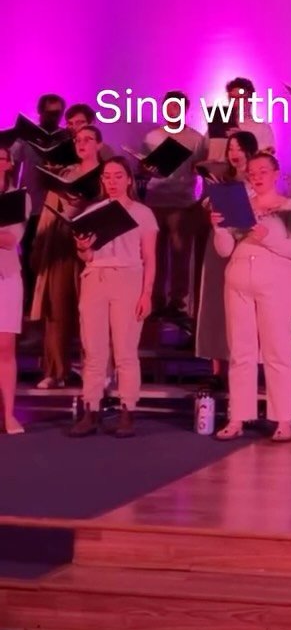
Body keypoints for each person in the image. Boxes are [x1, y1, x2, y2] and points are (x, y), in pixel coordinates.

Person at [212, 152, 291, 442]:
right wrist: (218, 228)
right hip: (238, 279)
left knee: (277, 351)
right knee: (240, 352)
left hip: (276, 281)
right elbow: (224, 250)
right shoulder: (241, 206)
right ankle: (238, 416)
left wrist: (267, 237)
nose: (256, 176)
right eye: (252, 172)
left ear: (276, 173)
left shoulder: (289, 206)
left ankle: (283, 419)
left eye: (263, 171)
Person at [70, 157, 157, 438]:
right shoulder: (93, 211)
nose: (112, 182)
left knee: (125, 350)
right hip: (95, 277)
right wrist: (83, 247)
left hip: (128, 278)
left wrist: (146, 293)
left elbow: (150, 257)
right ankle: (91, 409)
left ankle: (127, 410)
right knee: (93, 350)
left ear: (129, 179)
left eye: (118, 176)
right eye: (107, 177)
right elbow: (87, 255)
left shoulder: (143, 213)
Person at [31, 124, 103, 388]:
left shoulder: (107, 173)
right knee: (57, 309)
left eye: (88, 139)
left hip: (95, 245)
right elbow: (50, 210)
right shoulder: (66, 173)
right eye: (78, 140)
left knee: (92, 314)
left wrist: (87, 204)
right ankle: (56, 370)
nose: (81, 144)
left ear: (99, 144)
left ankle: (93, 371)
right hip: (62, 245)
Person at [195, 131, 258, 377]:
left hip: (248, 245)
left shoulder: (259, 179)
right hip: (220, 243)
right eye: (230, 148)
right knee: (216, 303)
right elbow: (205, 203)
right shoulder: (220, 178)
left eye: (239, 148)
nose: (234, 153)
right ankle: (216, 370)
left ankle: (244, 368)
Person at [142, 91, 204, 320]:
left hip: (182, 202)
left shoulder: (195, 138)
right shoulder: (152, 136)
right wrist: (145, 168)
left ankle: (178, 303)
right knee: (154, 255)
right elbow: (142, 169)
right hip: (155, 201)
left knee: (180, 256)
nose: (172, 110)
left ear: (185, 109)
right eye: (168, 106)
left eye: (176, 106)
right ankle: (155, 301)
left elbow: (200, 168)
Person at [11, 93, 66, 314]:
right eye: (50, 113)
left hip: (56, 206)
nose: (54, 117)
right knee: (29, 255)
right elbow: (13, 167)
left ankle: (51, 301)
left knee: (55, 256)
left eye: (58, 113)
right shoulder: (26, 139)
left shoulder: (65, 138)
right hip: (32, 204)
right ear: (40, 112)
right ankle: (30, 300)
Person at [0, 146, 30, 434]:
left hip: (6, 277)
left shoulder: (18, 198)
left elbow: (10, 239)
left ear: (9, 164)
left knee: (5, 346)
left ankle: (8, 414)